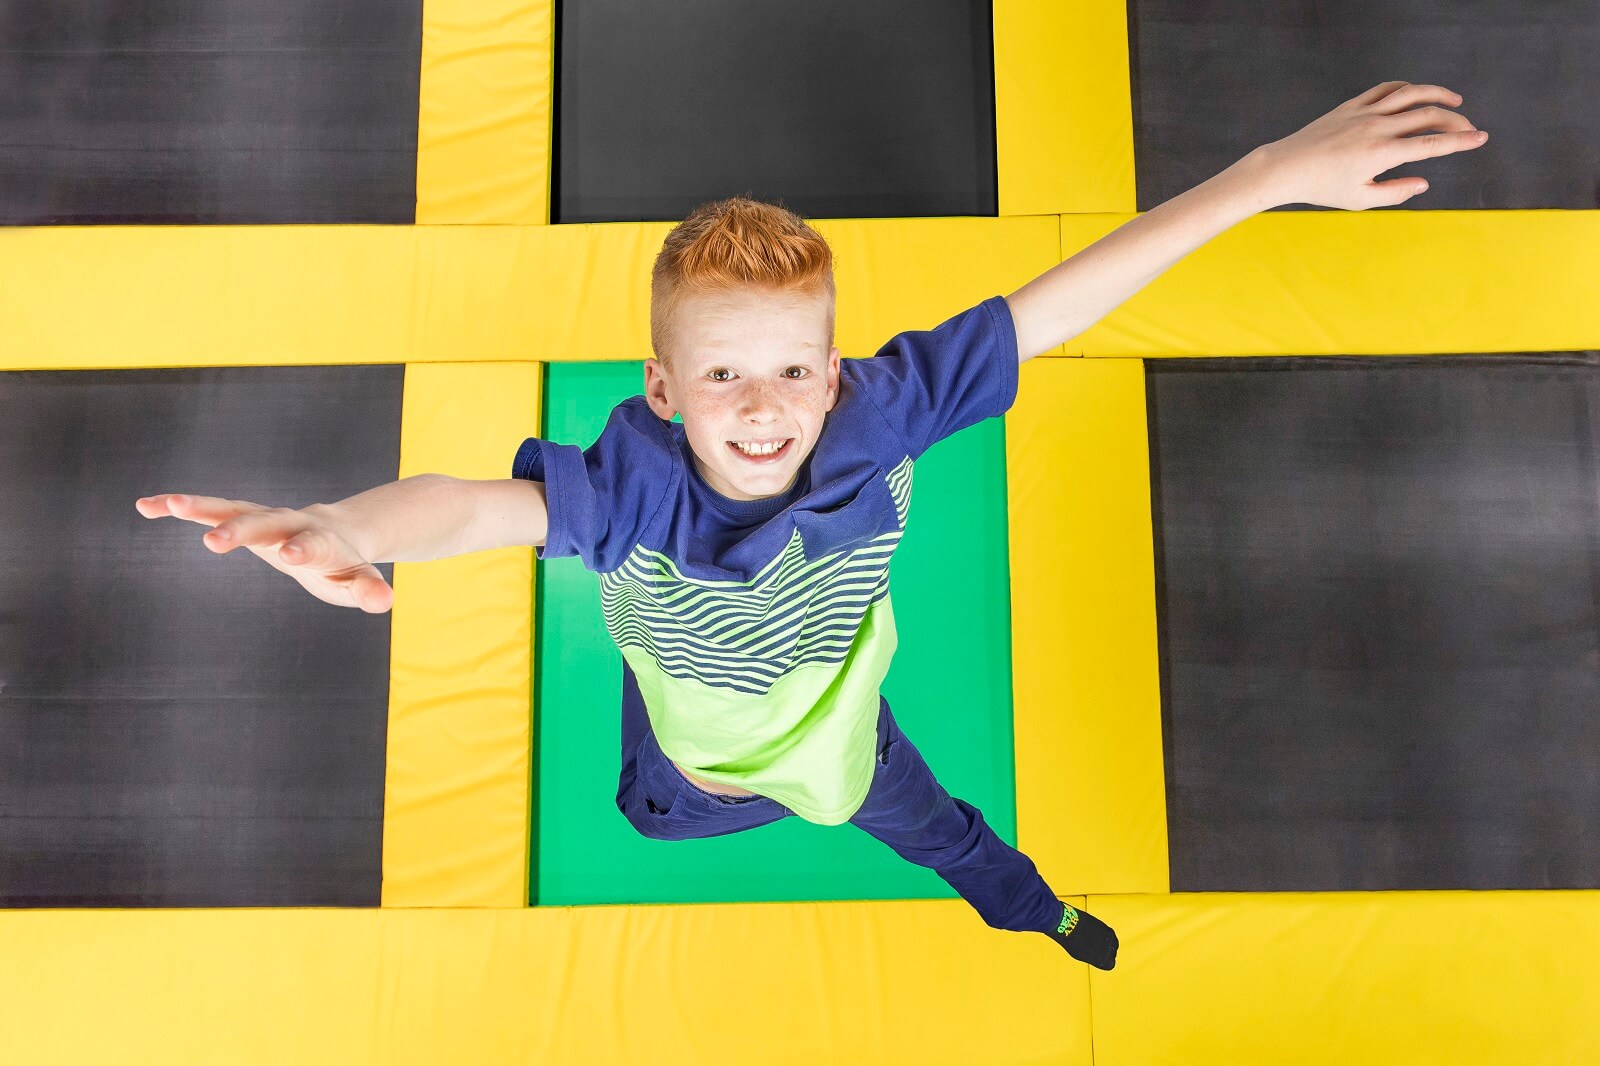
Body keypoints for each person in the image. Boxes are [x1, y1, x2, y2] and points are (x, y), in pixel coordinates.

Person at [137, 81, 1486, 971]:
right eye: (723, 375)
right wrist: (342, 518)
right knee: (652, 796)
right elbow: (473, 505)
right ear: (662, 390)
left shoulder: (877, 412)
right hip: (688, 728)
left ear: (836, 372)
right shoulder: (641, 481)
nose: (765, 406)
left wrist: (1265, 173)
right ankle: (707, 750)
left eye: (793, 368)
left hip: (842, 718)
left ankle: (1046, 913)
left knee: (938, 829)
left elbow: (1063, 299)